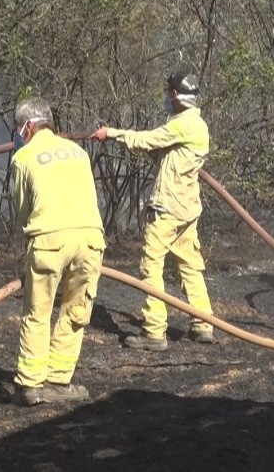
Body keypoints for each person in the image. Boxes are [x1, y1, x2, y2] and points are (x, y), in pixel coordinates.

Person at [90, 69, 214, 352]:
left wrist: (112, 134)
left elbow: (149, 139)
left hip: (168, 208)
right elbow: (161, 152)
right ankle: (203, 323)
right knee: (189, 265)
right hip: (187, 208)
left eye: (170, 94)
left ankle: (155, 332)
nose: (168, 99)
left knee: (151, 265)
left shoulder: (183, 125)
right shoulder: (197, 126)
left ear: (176, 96)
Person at [9, 98, 104, 406]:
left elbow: (22, 211)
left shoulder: (23, 158)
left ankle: (31, 384)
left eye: (18, 129)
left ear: (29, 127)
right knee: (76, 312)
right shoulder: (79, 153)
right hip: (90, 240)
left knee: (38, 312)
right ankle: (59, 381)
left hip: (49, 241)